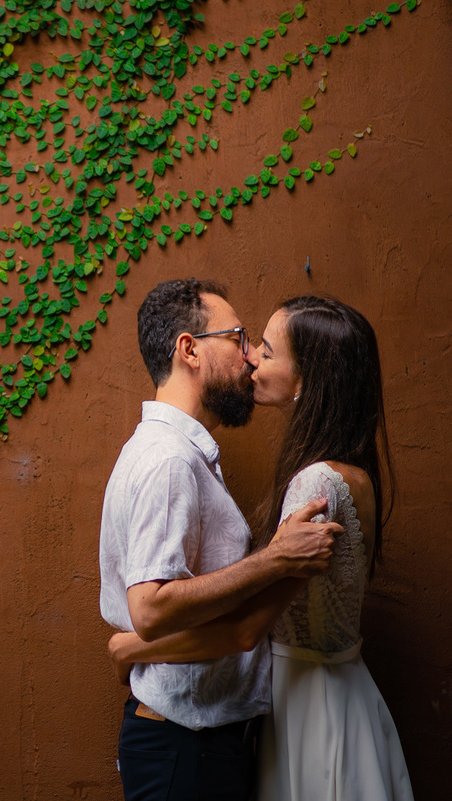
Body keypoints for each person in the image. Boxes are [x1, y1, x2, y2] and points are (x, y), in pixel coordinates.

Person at [108, 295, 414, 799]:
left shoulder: (314, 482)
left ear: (308, 378)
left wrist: (132, 646)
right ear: (188, 350)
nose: (250, 357)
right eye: (242, 342)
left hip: (310, 708)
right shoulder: (350, 472)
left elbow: (250, 627)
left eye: (266, 352)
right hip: (324, 698)